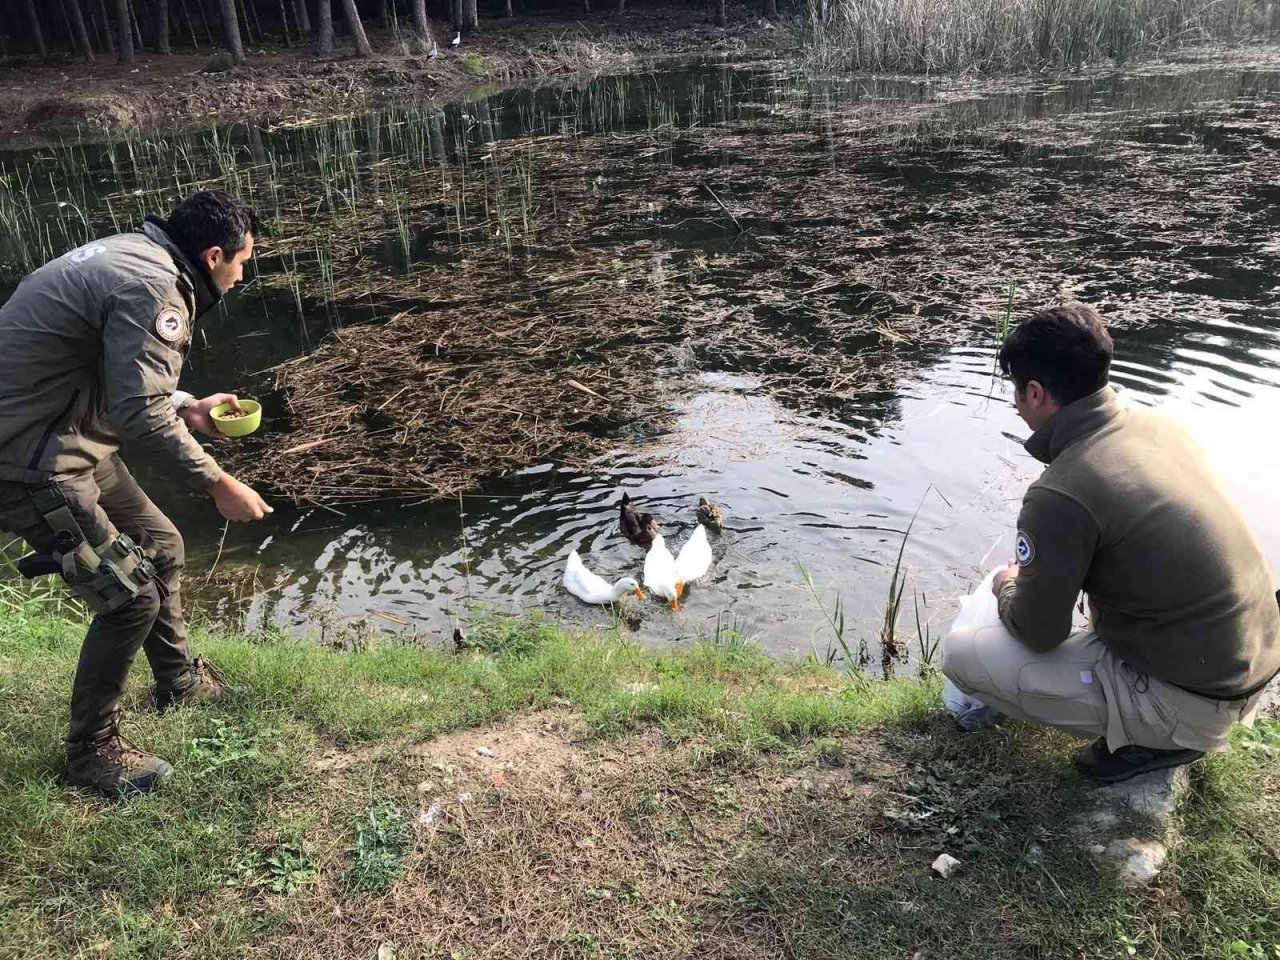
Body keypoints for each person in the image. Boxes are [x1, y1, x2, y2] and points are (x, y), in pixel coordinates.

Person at [0, 190, 273, 798]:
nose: (243, 273)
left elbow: (122, 379)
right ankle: (92, 754)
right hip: (28, 459)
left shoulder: (136, 257)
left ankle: (178, 682)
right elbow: (142, 418)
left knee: (160, 544)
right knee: (128, 595)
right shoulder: (155, 288)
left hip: (67, 438)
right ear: (212, 254)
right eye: (243, 261)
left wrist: (189, 405)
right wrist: (218, 482)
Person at [942, 304, 1280, 784]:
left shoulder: (1062, 490)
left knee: (964, 655)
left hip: (1200, 700)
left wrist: (1004, 586)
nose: (1017, 405)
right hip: (1249, 661)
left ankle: (1160, 737)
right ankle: (1173, 716)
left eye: (1016, 391)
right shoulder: (1160, 428)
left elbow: (1040, 633)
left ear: (1035, 392)